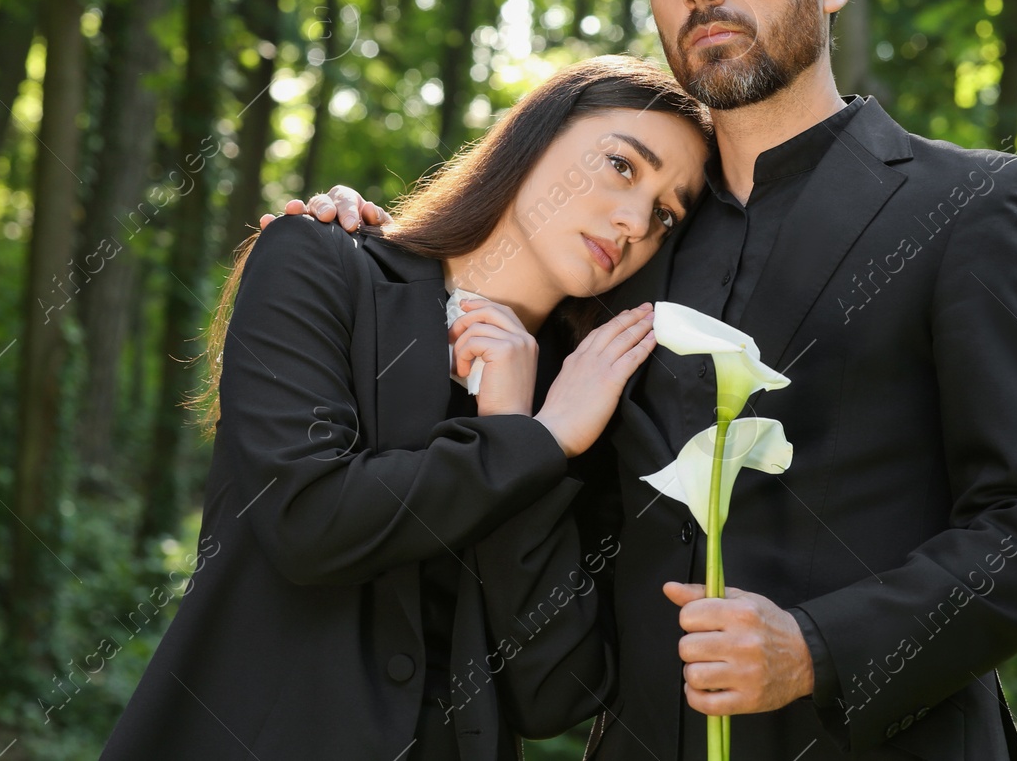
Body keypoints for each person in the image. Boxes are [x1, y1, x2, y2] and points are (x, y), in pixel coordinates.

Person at [280, 0, 1017, 760]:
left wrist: (816, 650)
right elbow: (528, 538)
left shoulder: (969, 205)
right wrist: (368, 249)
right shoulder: (618, 254)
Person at [99, 55, 711, 761]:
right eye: (623, 165)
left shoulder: (587, 400)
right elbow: (308, 521)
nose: (636, 219)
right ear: (538, 134)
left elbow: (555, 694)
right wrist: (525, 444)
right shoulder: (320, 263)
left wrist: (534, 435)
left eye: (667, 213)